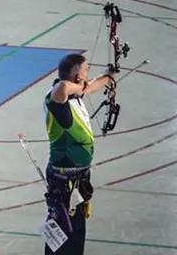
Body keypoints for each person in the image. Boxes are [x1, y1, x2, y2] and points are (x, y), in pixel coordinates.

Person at [42, 53, 114, 254]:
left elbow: (91, 87)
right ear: (77, 76)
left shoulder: (75, 94)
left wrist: (109, 76)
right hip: (63, 177)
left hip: (79, 176)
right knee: (63, 229)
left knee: (77, 230)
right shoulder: (56, 98)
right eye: (85, 70)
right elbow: (63, 88)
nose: (87, 73)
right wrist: (81, 87)